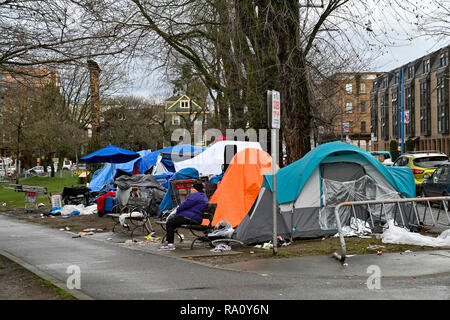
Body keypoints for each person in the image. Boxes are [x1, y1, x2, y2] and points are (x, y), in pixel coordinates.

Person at [159, 182, 209, 251]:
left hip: (191, 218)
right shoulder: (202, 196)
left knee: (170, 222)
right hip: (194, 217)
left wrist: (177, 210)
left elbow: (184, 205)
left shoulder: (195, 196)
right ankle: (168, 242)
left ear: (196, 189)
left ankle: (170, 244)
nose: (191, 189)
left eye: (192, 188)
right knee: (172, 222)